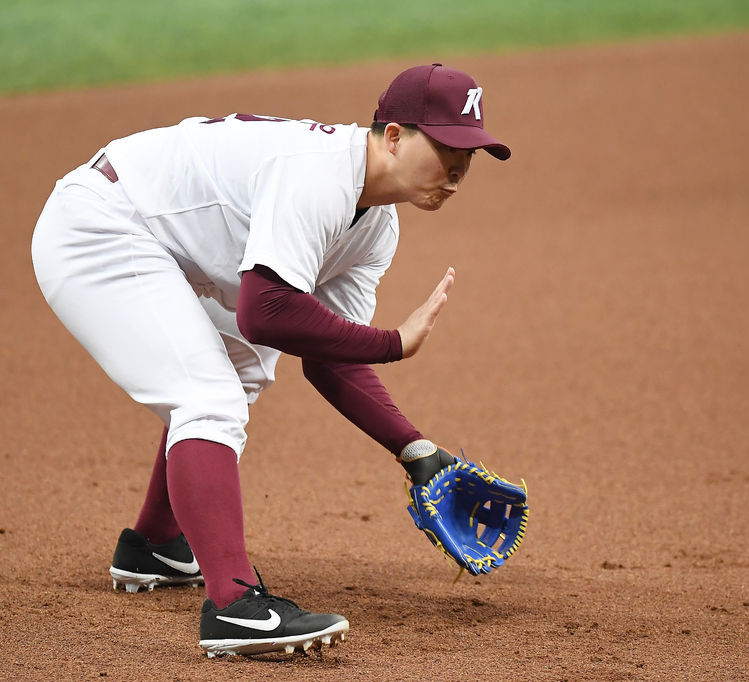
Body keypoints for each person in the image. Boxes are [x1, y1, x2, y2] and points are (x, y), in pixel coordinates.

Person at [31, 63, 510, 657]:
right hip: (100, 223)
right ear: (393, 135)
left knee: (240, 369)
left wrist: (416, 451)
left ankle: (155, 544)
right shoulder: (318, 177)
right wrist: (394, 342)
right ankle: (235, 608)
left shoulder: (376, 228)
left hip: (163, 239)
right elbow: (266, 313)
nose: (459, 171)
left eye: (471, 154)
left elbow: (325, 355)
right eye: (447, 148)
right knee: (209, 396)